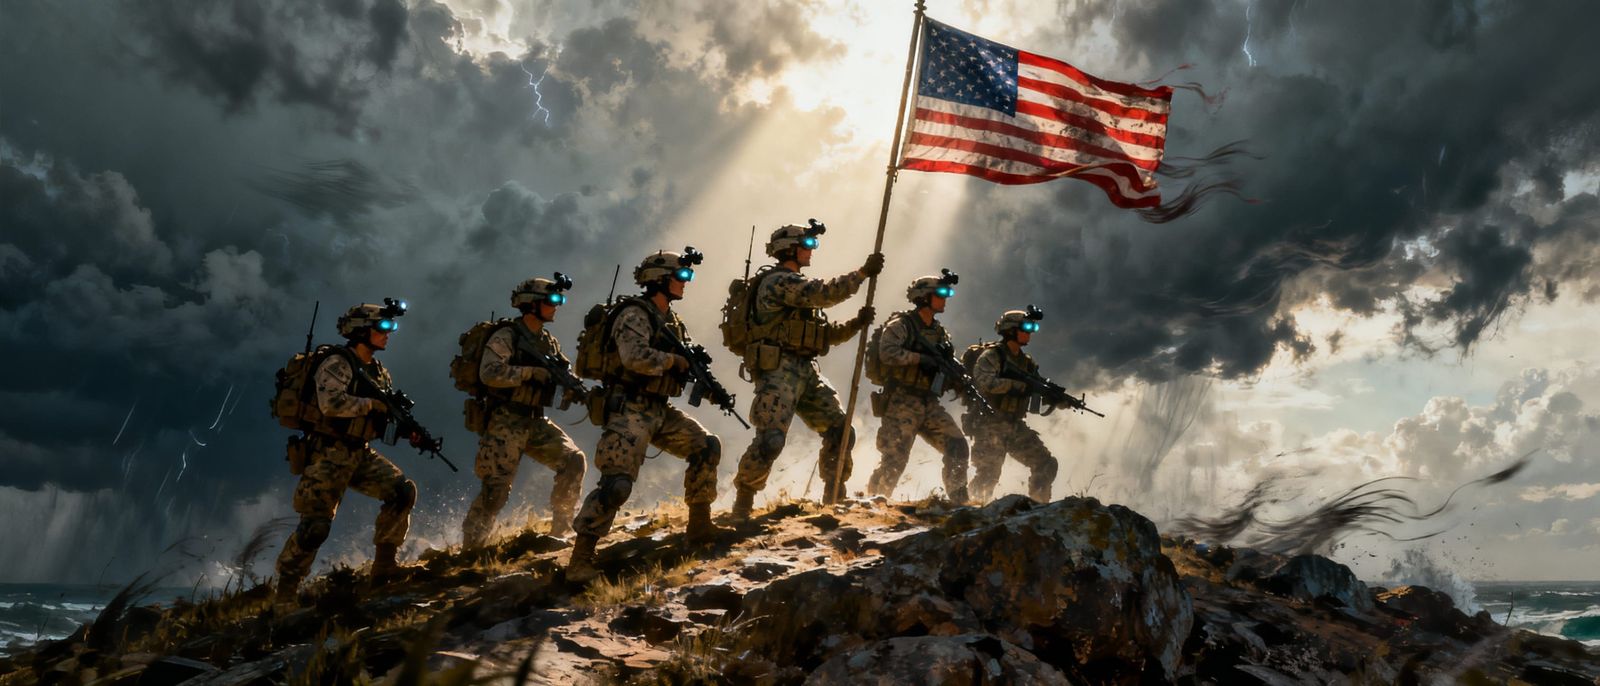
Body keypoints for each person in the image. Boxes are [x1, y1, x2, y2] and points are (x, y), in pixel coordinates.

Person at [566, 248, 725, 582]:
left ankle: (699, 527)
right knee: (617, 484)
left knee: (706, 446)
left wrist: (707, 385)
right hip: (630, 408)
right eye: (681, 276)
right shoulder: (635, 314)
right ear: (658, 280)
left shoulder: (671, 322)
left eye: (688, 276)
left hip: (659, 408)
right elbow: (633, 357)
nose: (686, 282)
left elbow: (683, 361)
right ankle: (580, 560)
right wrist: (674, 362)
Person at [730, 222, 881, 518]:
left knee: (841, 430)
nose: (812, 252)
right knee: (771, 439)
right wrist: (862, 274)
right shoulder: (779, 283)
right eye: (807, 246)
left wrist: (856, 325)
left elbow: (822, 336)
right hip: (778, 370)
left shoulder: (796, 287)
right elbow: (824, 293)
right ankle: (743, 502)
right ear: (789, 249)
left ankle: (833, 496)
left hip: (805, 369)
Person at [275, 301, 418, 603]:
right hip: (329, 453)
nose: (388, 334)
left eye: (391, 328)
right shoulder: (338, 363)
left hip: (359, 452)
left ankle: (384, 567)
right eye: (383, 328)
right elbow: (331, 405)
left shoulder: (378, 371)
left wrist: (407, 431)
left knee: (402, 492)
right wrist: (372, 405)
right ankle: (285, 594)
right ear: (361, 330)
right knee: (315, 526)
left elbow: (381, 416)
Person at [460, 275, 587, 547]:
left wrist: (571, 386)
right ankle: (472, 548)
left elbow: (562, 370)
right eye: (552, 301)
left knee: (573, 460)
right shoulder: (507, 336)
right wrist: (530, 373)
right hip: (506, 420)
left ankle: (562, 529)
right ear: (531, 305)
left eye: (559, 301)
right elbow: (489, 373)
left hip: (535, 420)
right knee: (496, 490)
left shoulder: (547, 341)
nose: (557, 306)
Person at [865, 271, 971, 502]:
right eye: (941, 294)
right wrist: (922, 359)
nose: (945, 299)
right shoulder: (902, 325)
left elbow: (946, 361)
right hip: (902, 400)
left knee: (957, 446)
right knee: (894, 460)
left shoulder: (938, 331)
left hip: (929, 402)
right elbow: (888, 353)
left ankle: (958, 500)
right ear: (924, 297)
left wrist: (958, 379)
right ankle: (871, 503)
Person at [966, 307, 1059, 503]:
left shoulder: (1026, 362)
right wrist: (1015, 386)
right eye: (1025, 328)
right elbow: (984, 381)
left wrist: (1054, 397)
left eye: (1031, 328)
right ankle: (968, 510)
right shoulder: (993, 356)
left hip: (1015, 424)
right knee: (988, 475)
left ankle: (1039, 506)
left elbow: (1035, 386)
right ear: (1010, 331)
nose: (1030, 333)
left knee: (1046, 463)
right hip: (990, 424)